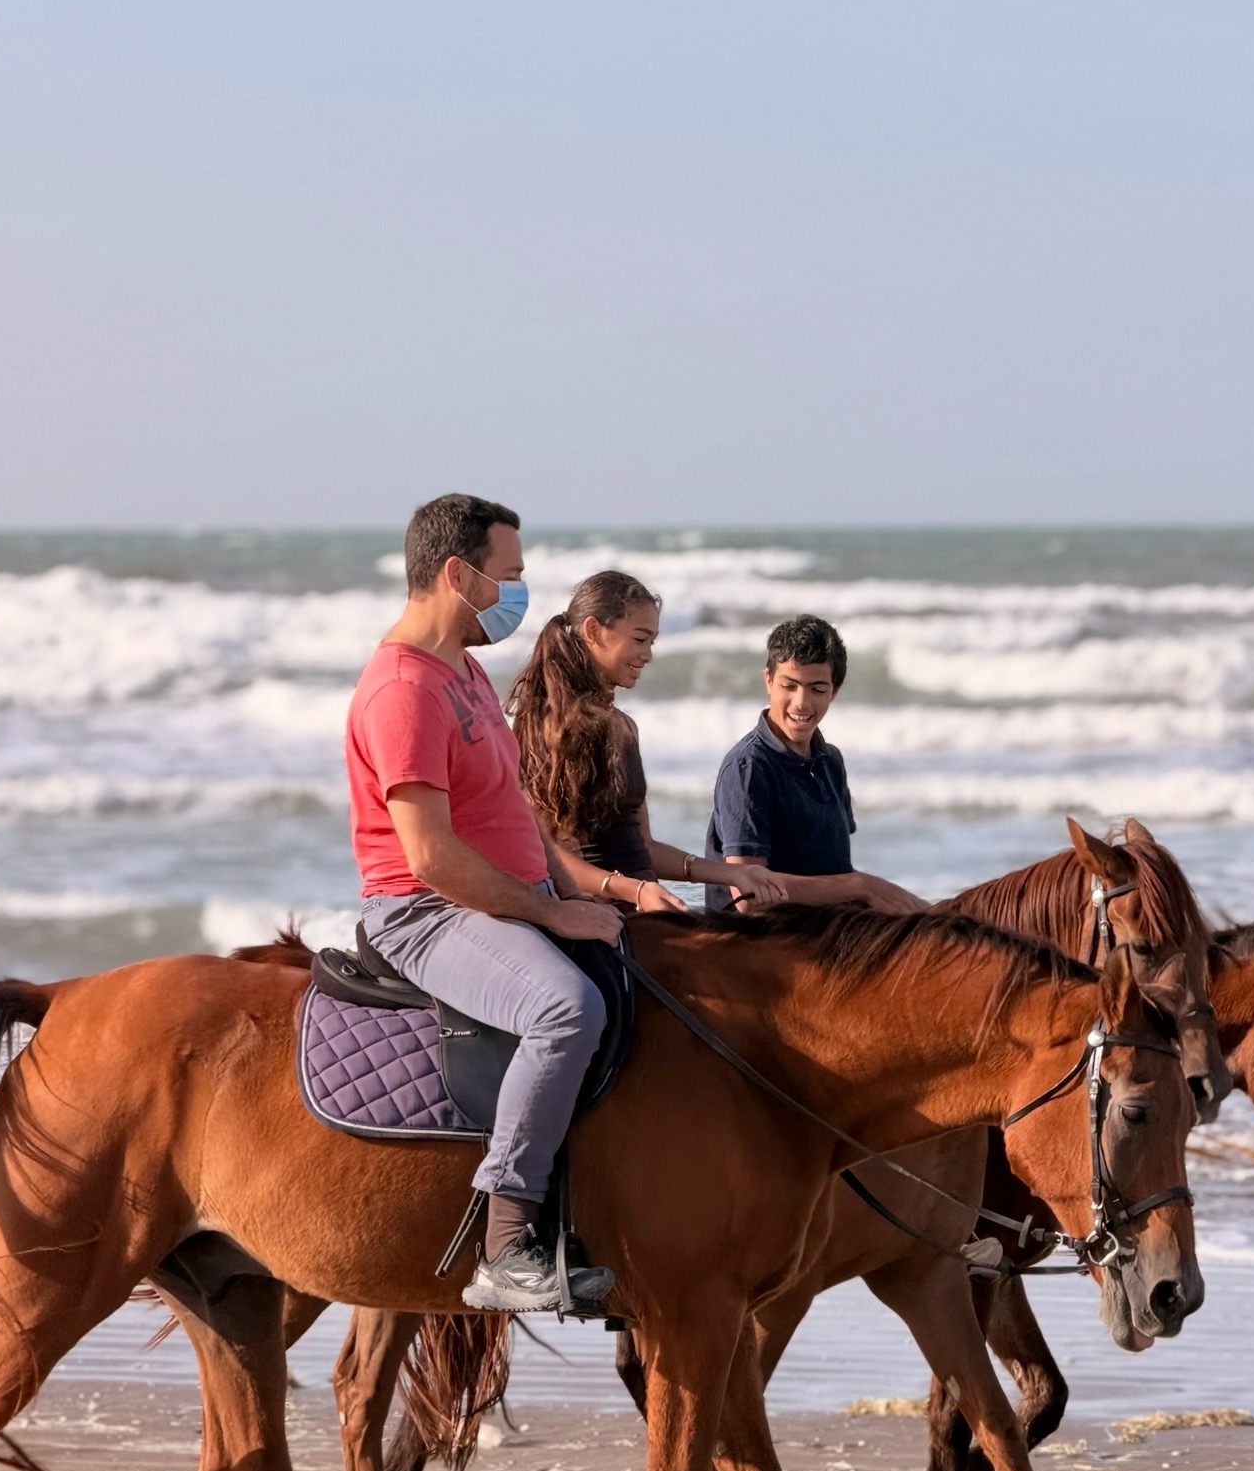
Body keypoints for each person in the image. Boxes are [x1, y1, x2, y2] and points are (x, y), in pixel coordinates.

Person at [345, 491, 622, 1314]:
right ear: (458, 574)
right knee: (565, 1010)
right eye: (510, 576)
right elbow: (429, 857)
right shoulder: (404, 690)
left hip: (509, 898)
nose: (519, 595)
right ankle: (506, 1243)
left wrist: (580, 889)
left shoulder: (461, 670)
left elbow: (512, 813)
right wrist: (551, 915)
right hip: (424, 914)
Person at [507, 569, 787, 912]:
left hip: (645, 908)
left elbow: (645, 848)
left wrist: (734, 875)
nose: (648, 655)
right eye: (639, 639)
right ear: (594, 631)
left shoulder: (623, 728)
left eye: (651, 642)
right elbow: (548, 856)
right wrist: (634, 891)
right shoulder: (547, 726)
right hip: (597, 914)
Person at [704, 614, 923, 914]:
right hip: (758, 944)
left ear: (835, 690)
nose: (802, 702)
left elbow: (833, 870)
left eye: (817, 689)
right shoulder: (748, 767)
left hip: (827, 932)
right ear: (768, 680)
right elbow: (748, 896)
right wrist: (862, 887)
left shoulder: (830, 760)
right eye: (789, 686)